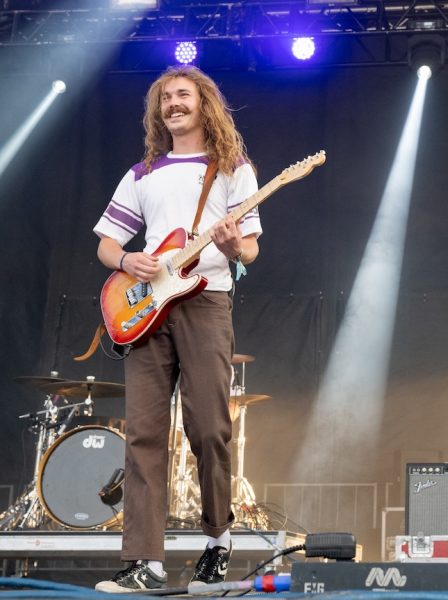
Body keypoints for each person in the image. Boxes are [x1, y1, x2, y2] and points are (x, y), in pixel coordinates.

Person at [93, 65, 262, 592]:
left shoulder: (232, 167)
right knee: (143, 432)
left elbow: (249, 250)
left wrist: (233, 245)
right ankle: (145, 561)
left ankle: (217, 540)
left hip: (206, 301)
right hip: (148, 310)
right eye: (165, 97)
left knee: (209, 427)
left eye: (183, 94)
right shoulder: (143, 172)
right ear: (157, 110)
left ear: (203, 102)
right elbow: (106, 244)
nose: (173, 103)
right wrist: (128, 261)